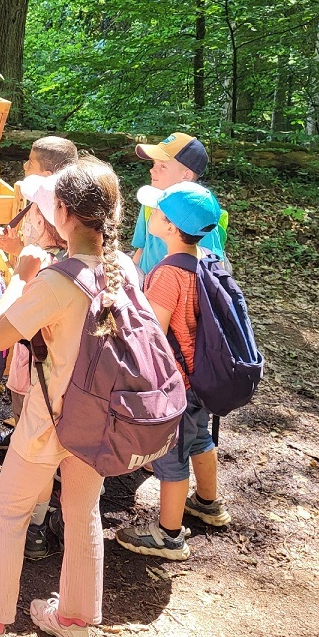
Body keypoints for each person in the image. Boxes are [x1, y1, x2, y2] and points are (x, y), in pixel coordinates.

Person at [0, 155, 139, 637]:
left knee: (7, 511)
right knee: (82, 508)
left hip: (50, 419)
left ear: (64, 215)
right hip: (100, 417)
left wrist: (22, 277)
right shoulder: (123, 268)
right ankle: (74, 616)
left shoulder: (55, 281)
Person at [115, 182, 232, 561]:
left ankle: (168, 535)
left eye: (158, 212)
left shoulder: (168, 274)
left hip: (175, 385)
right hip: (200, 377)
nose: (151, 215)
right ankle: (208, 504)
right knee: (198, 439)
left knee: (171, 457)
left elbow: (151, 334)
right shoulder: (208, 262)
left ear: (169, 226)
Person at [0, 136, 78, 452]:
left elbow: (49, 261)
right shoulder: (40, 203)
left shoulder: (56, 214)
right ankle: (24, 436)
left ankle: (32, 446)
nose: (24, 165)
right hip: (37, 295)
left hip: (41, 307)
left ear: (47, 173)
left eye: (30, 161)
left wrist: (20, 253)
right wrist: (17, 250)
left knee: (34, 379)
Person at [131, 133, 226, 274]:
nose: (152, 170)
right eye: (154, 164)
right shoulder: (149, 201)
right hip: (146, 287)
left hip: (177, 292)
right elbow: (142, 248)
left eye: (162, 166)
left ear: (186, 175)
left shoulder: (198, 214)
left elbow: (214, 267)